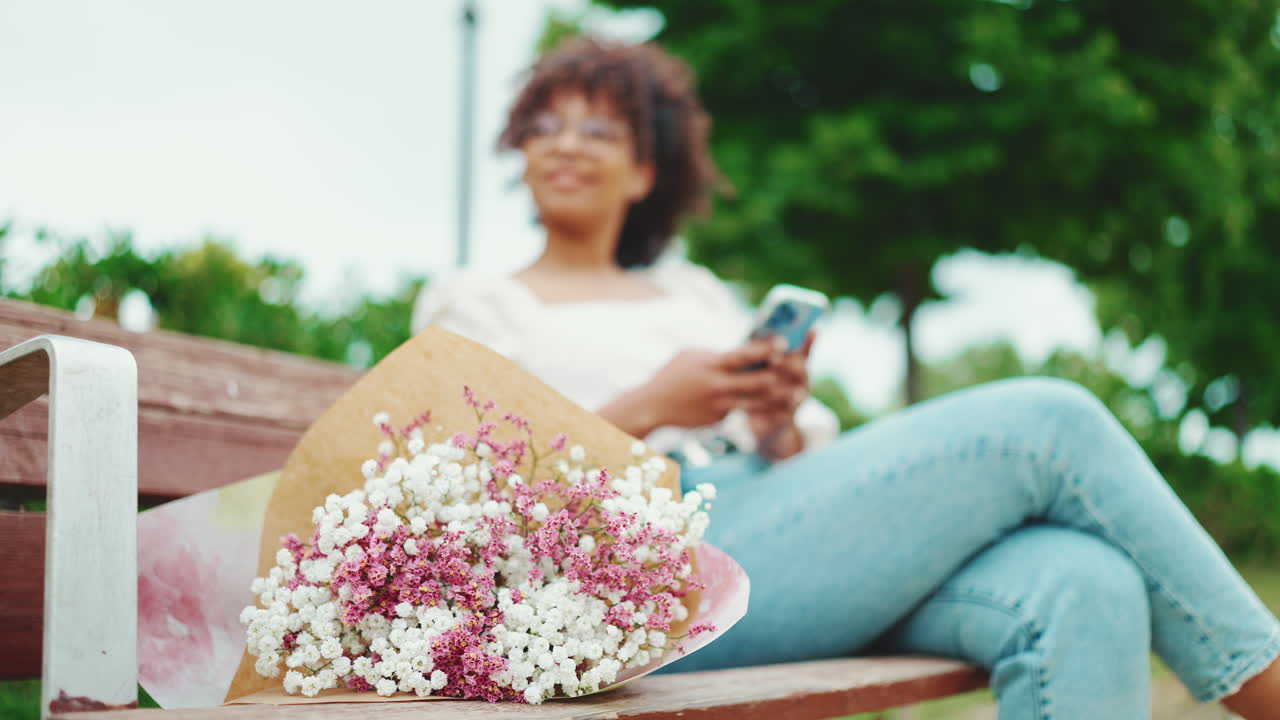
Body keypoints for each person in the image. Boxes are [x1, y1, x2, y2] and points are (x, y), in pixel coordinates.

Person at [412, 37, 1280, 719]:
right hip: (640, 568)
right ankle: (1263, 682)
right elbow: (461, 495)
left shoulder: (692, 293)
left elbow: (792, 454)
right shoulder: (476, 302)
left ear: (643, 172)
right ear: (519, 153)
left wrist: (776, 418)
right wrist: (648, 407)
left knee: (1085, 581)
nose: (567, 144)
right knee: (1049, 423)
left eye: (598, 130)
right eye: (547, 126)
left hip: (783, 532)